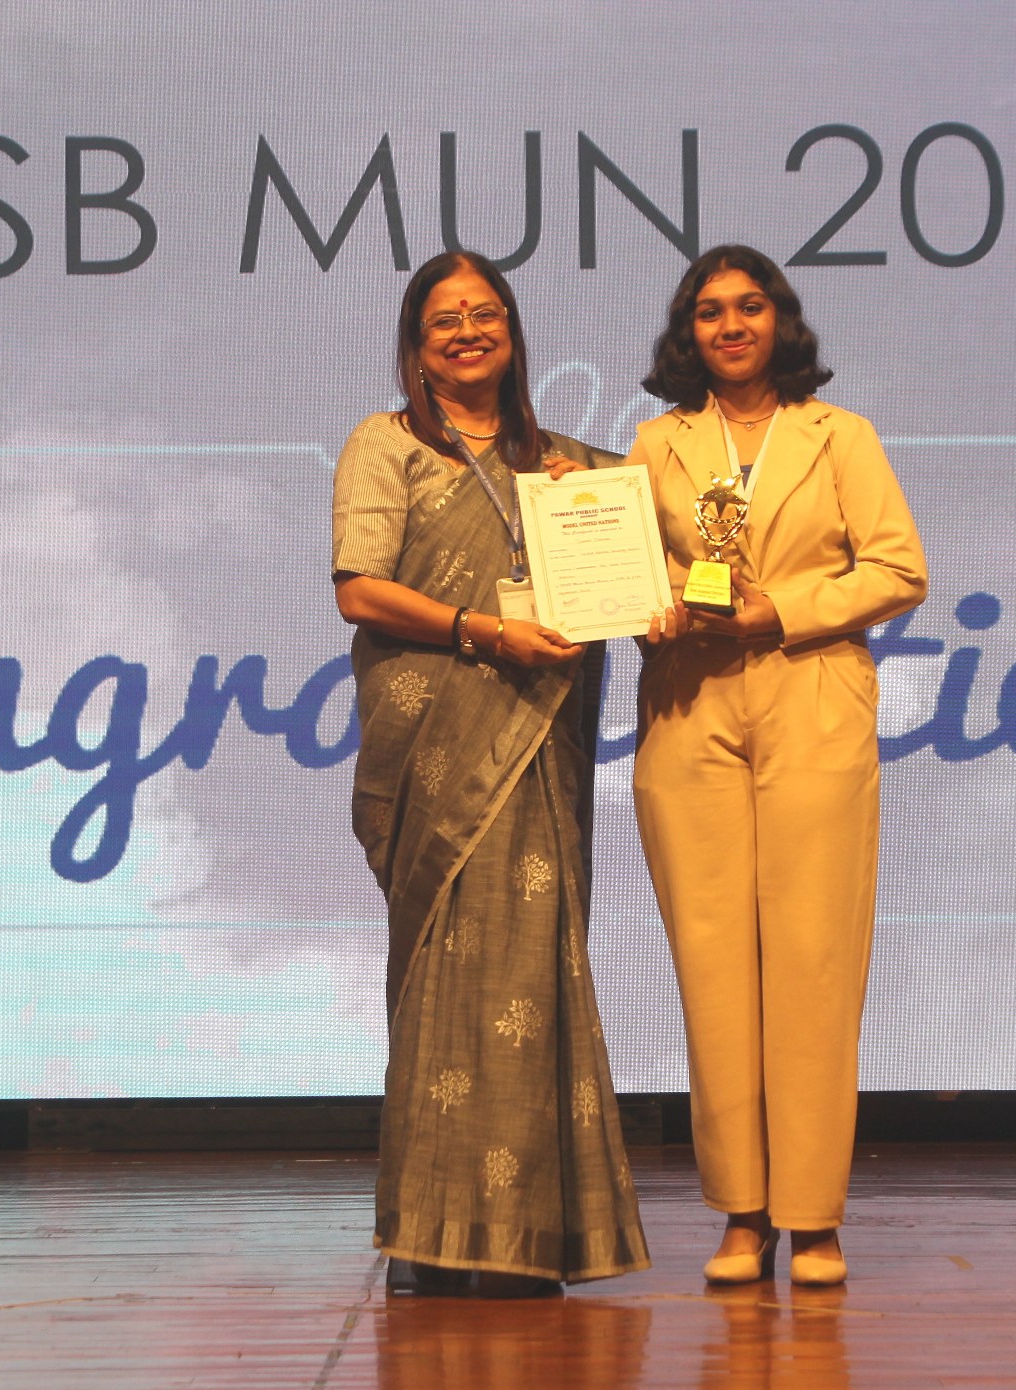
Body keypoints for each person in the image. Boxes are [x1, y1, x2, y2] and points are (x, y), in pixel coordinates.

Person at [332, 250, 651, 1294]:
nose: (468, 331)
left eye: (486, 313)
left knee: (530, 968)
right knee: (442, 970)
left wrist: (657, 581)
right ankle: (432, 1237)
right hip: (438, 741)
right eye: (445, 320)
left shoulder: (570, 468)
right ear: (418, 347)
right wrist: (483, 630)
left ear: (512, 331)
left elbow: (671, 562)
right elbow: (360, 591)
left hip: (535, 742)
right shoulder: (387, 445)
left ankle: (525, 1235)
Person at [627, 244, 926, 1287]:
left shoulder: (839, 436)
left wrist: (780, 609)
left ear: (781, 320)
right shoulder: (656, 444)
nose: (731, 325)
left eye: (749, 306)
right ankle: (743, 1212)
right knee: (713, 965)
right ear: (689, 332)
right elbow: (629, 571)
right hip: (690, 700)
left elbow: (898, 569)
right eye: (709, 311)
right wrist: (644, 598)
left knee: (812, 957)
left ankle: (814, 1213)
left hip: (810, 689)